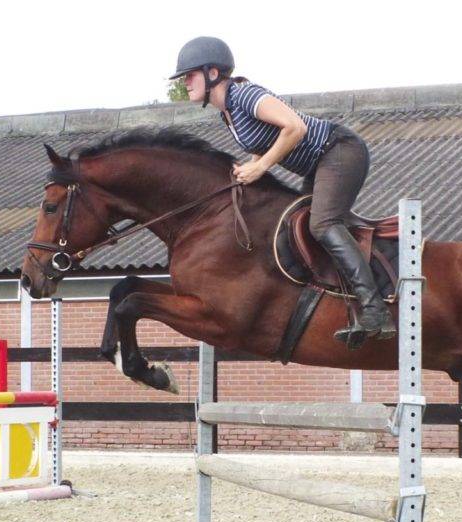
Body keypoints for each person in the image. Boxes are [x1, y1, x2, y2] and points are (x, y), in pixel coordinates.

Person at [169, 36, 396, 348]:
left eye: (189, 75)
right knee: (295, 224)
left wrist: (260, 168)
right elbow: (266, 141)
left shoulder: (245, 95)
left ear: (212, 73)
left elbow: (295, 127)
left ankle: (375, 310)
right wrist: (249, 168)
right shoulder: (228, 114)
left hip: (340, 152)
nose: (185, 82)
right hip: (320, 165)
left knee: (322, 224)